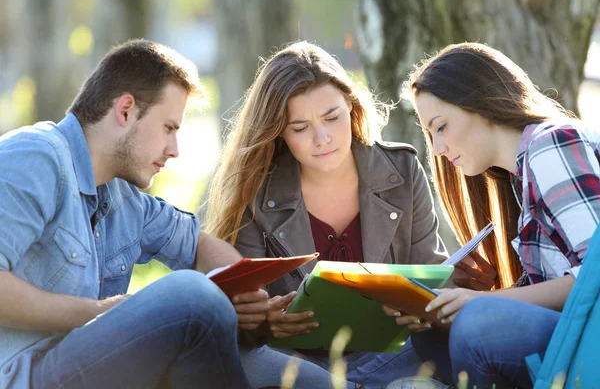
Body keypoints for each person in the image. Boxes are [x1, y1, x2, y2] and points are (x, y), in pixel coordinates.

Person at [204, 41, 493, 389]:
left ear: (352, 109)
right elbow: (237, 317)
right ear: (279, 133)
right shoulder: (255, 190)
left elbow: (426, 272)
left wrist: (456, 286)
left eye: (332, 117)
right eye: (300, 128)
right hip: (298, 364)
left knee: (464, 349)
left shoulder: (401, 170)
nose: (322, 138)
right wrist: (263, 324)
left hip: (395, 354)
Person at [0, 39, 269, 389]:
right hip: (24, 375)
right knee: (192, 296)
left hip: (86, 366)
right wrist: (102, 313)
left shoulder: (122, 196)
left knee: (299, 375)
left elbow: (197, 243)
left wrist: (243, 292)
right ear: (125, 110)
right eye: (169, 128)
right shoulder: (36, 157)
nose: (174, 150)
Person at [404, 42, 600, 388]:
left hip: (591, 338)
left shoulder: (551, 142)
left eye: (441, 126)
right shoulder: (519, 179)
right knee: (431, 334)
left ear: (479, 103)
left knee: (479, 323)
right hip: (576, 333)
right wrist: (458, 300)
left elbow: (594, 275)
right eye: (429, 134)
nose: (436, 148)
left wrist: (484, 302)